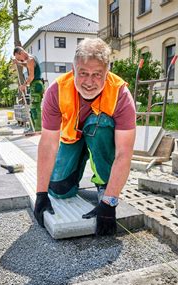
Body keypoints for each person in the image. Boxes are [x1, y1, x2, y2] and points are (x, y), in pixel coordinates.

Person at [34, 38, 136, 236]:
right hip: (71, 139)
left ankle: (104, 185)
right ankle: (72, 172)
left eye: (97, 74)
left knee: (99, 123)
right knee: (59, 190)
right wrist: (41, 193)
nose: (89, 82)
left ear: (107, 74)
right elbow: (47, 144)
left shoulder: (120, 94)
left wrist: (110, 201)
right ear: (73, 71)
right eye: (83, 73)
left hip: (100, 134)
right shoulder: (56, 91)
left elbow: (124, 152)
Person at [13, 46, 44, 131]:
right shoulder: (31, 58)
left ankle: (37, 129)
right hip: (36, 85)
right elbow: (26, 64)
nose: (20, 59)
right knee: (33, 107)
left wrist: (24, 85)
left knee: (35, 108)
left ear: (21, 52)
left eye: (19, 57)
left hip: (35, 84)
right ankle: (33, 128)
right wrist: (18, 62)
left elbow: (31, 76)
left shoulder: (30, 59)